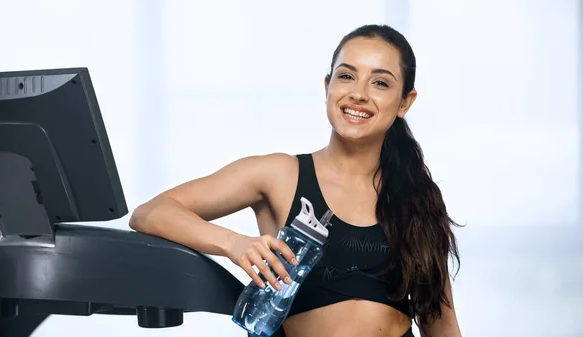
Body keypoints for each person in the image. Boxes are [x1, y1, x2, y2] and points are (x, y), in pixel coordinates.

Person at [130, 24, 462, 337]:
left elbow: (441, 326)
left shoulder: (416, 198)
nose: (358, 94)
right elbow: (150, 213)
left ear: (405, 101)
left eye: (380, 83)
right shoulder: (278, 175)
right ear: (327, 87)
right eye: (347, 76)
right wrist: (235, 244)